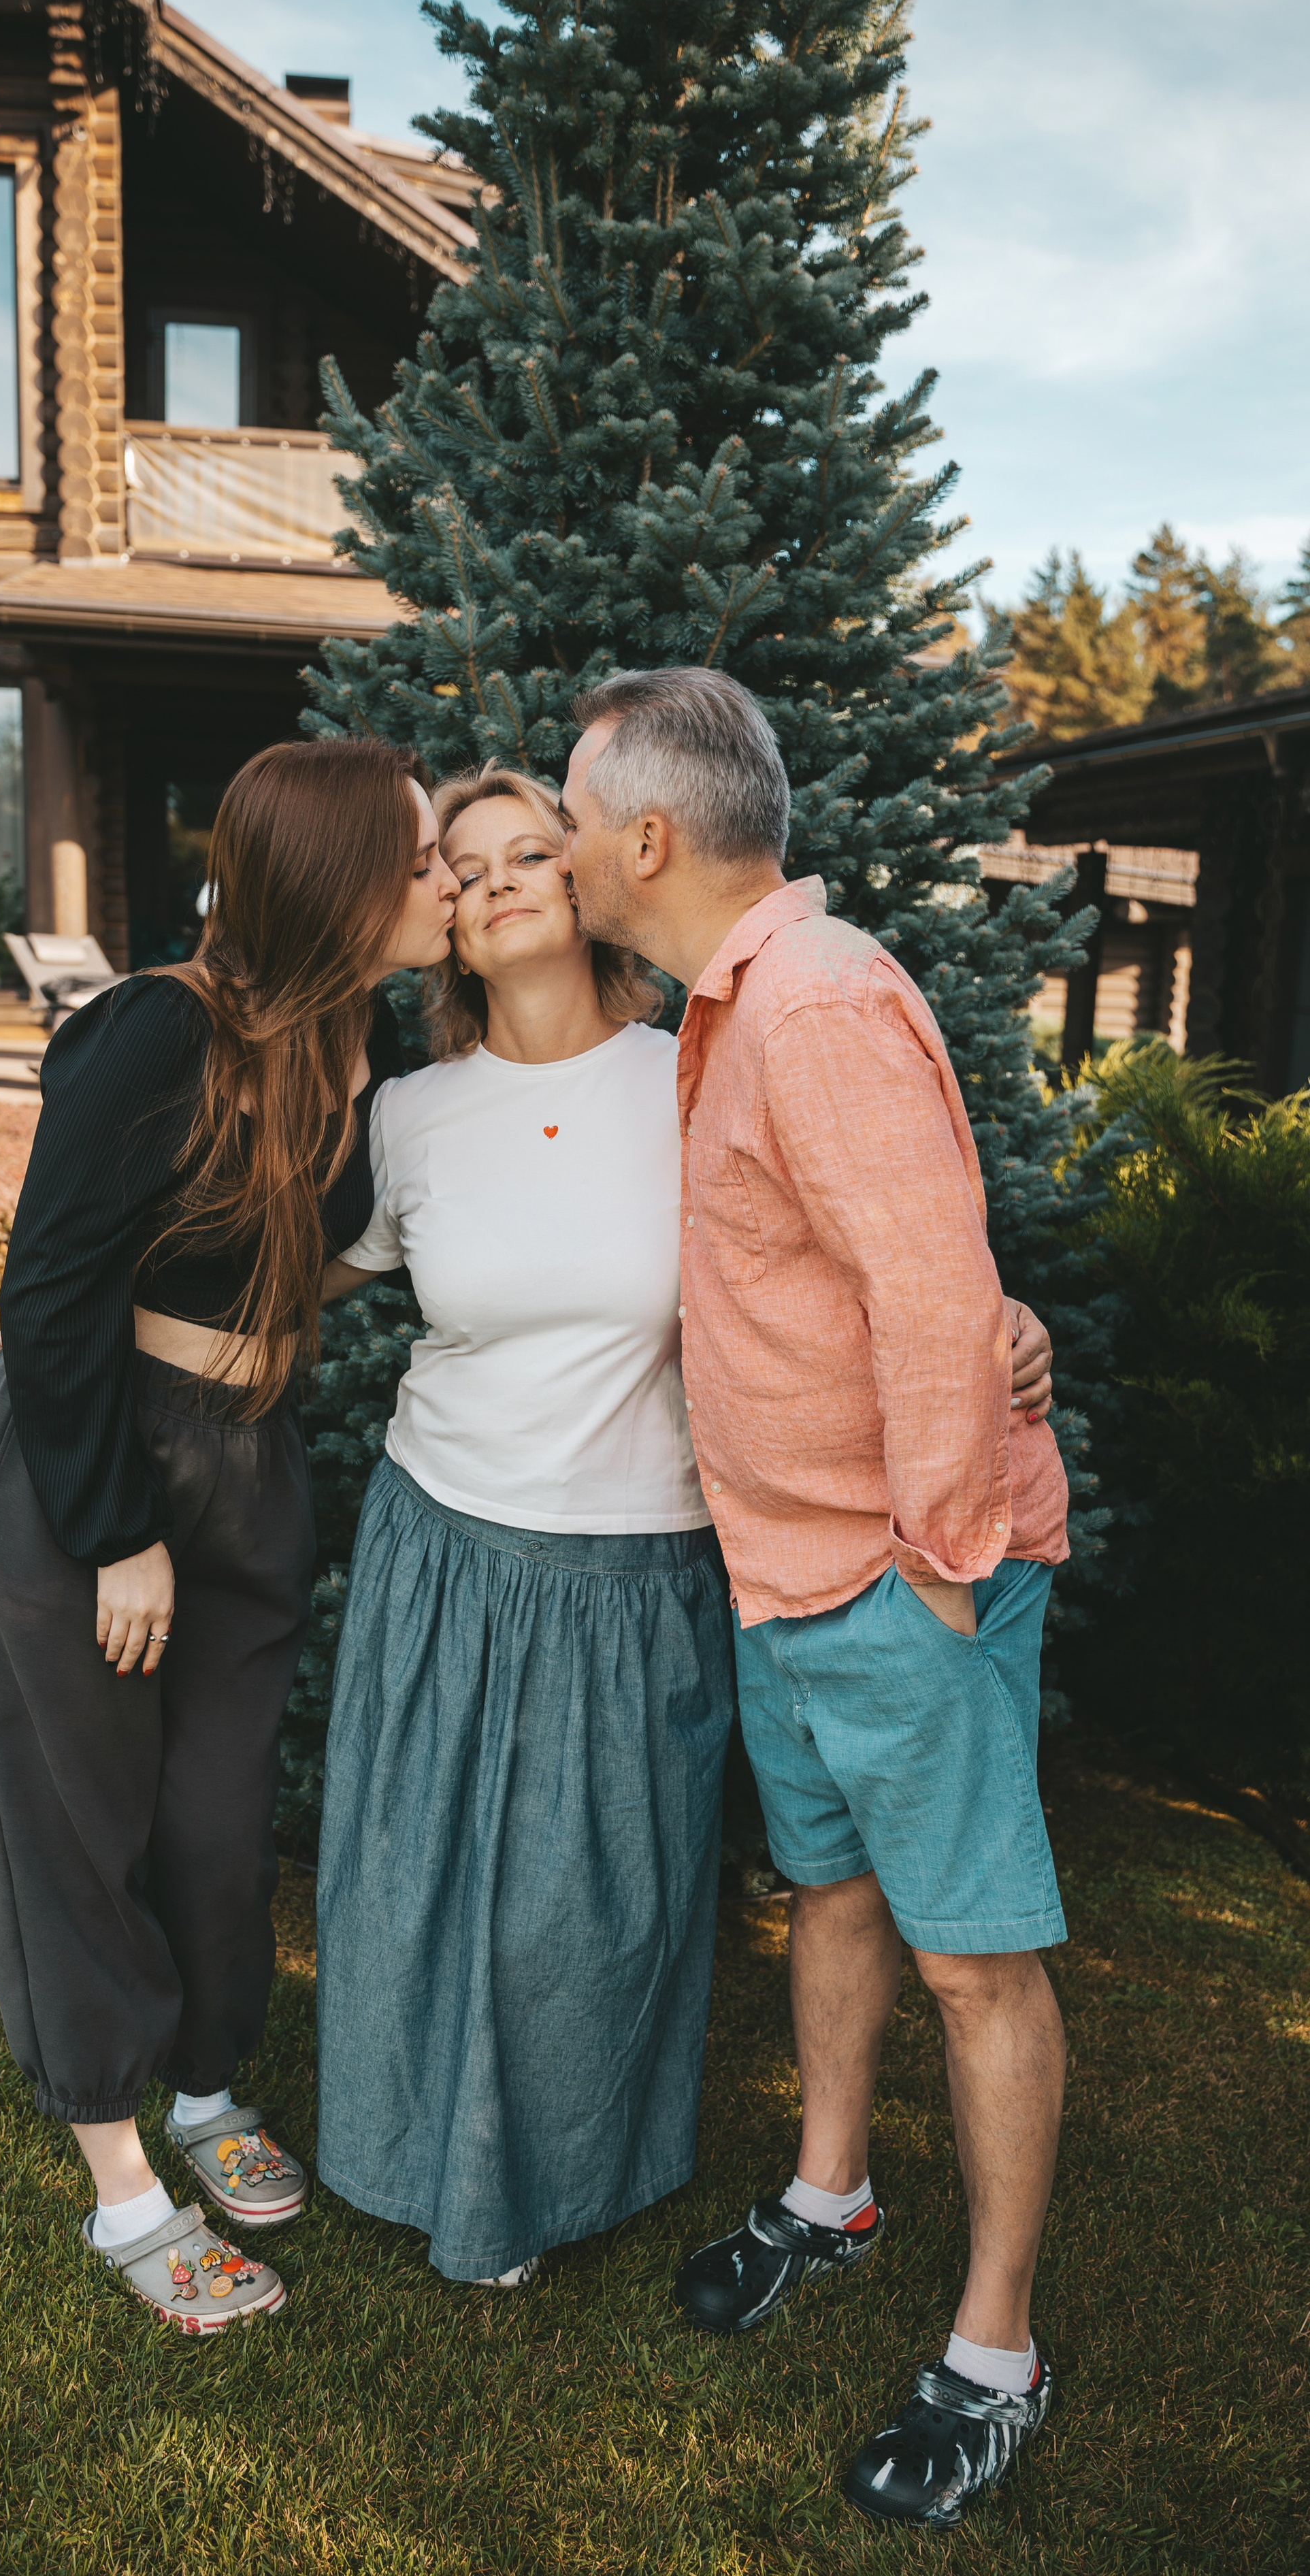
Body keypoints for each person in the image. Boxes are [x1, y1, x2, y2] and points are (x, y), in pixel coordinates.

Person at [314, 762, 1055, 2297]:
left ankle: (568, 2174)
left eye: (537, 847)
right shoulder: (403, 1118)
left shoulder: (692, 1071)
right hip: (443, 1538)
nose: (508, 876)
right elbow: (285, 1273)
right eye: (469, 863)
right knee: (414, 1889)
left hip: (641, 1557)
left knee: (579, 1919)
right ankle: (414, 2161)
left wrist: (998, 1325)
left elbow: (858, 1239)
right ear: (440, 914)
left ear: (592, 882)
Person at [557, 668, 1072, 2532]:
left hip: (892, 1575)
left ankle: (995, 2352)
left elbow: (941, 1300)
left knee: (973, 1959)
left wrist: (939, 1575)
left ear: (645, 836)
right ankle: (831, 2191)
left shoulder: (824, 1004)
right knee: (832, 1895)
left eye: (568, 807)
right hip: (789, 1573)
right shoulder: (735, 1002)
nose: (553, 838)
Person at [0, 737, 459, 2334]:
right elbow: (48, 1290)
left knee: (220, 1815)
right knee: (77, 1816)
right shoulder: (162, 1030)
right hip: (88, 1462)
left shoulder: (364, 1040)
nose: (448, 881)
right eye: (426, 856)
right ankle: (122, 2186)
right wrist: (114, 1532)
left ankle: (205, 2085)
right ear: (341, 879)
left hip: (248, 1461)